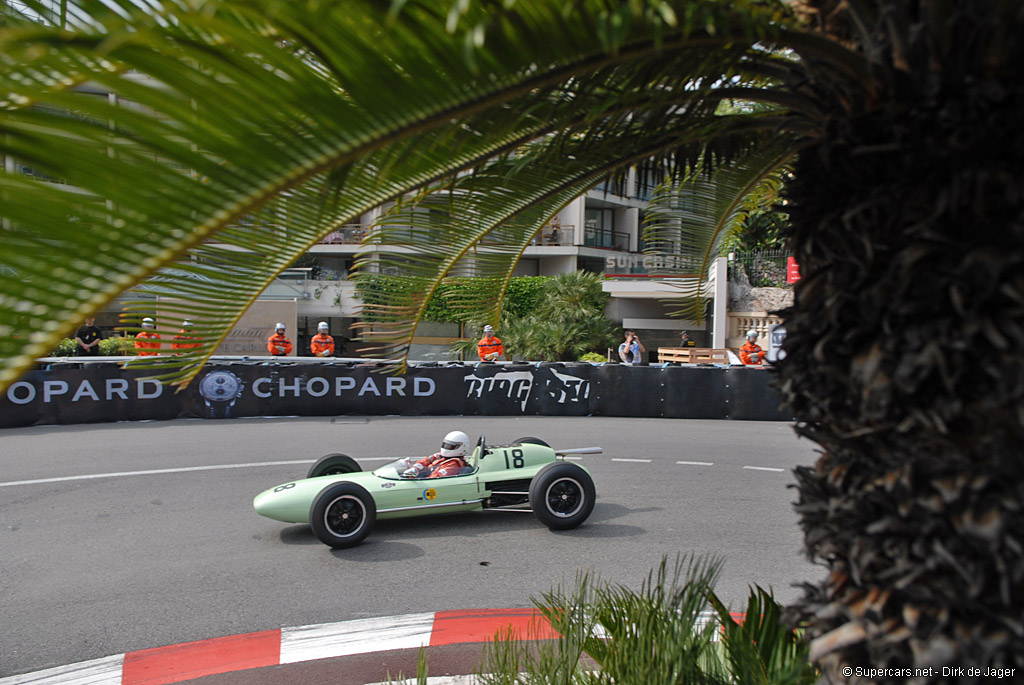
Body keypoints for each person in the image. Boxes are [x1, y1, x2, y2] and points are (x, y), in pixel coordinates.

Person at [402, 431, 471, 479]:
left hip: (427, 482)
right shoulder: (440, 455)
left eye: (450, 446)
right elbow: (426, 461)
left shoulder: (454, 464)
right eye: (446, 445)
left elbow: (437, 477)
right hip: (422, 475)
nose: (446, 447)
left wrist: (416, 479)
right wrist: (415, 469)